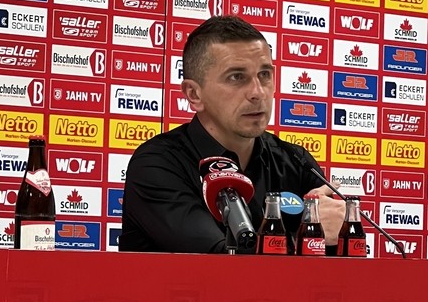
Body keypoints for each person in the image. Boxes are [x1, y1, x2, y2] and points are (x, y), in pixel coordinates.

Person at [119, 15, 345, 253]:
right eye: (237, 77)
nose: (258, 92)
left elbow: (336, 260)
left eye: (264, 75)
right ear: (194, 94)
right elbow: (219, 260)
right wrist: (306, 237)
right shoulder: (157, 165)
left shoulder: (296, 162)